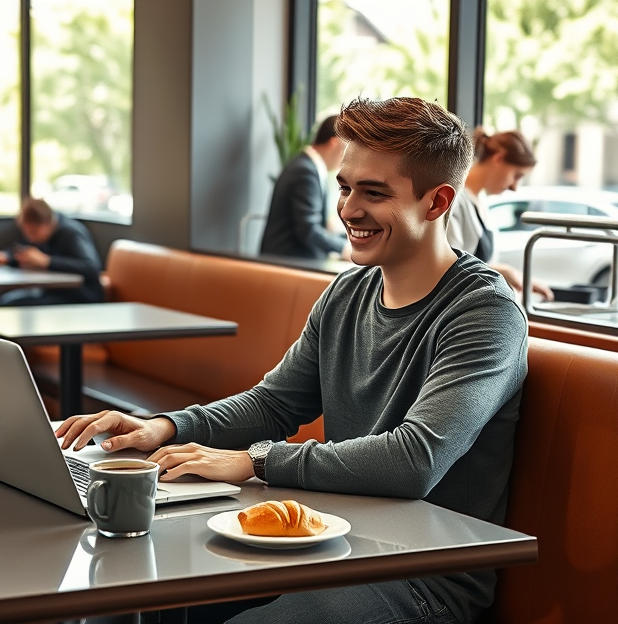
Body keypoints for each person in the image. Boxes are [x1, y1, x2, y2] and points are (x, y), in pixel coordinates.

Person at [57, 98, 528, 624]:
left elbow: (415, 459)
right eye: (346, 187)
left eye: (374, 193)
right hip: (327, 542)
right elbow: (273, 404)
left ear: (438, 202)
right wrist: (164, 427)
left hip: (418, 579)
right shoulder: (347, 294)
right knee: (132, 594)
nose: (348, 209)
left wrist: (257, 460)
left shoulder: (484, 313)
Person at [448, 128, 554, 301]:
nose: (515, 187)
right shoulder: (455, 200)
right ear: (498, 157)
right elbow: (448, 269)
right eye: (516, 175)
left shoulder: (479, 200)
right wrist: (502, 271)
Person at [259, 116, 349, 260]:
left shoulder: (309, 166)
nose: (347, 157)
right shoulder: (305, 171)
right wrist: (344, 248)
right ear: (335, 143)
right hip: (286, 263)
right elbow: (308, 229)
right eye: (346, 149)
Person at [0, 197, 104, 306]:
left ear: (48, 223)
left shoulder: (71, 232)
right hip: (53, 291)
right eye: (26, 232)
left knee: (13, 304)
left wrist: (47, 261)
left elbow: (91, 266)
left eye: (33, 232)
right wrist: (8, 257)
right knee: (7, 300)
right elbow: (24, 249)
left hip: (78, 297)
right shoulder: (37, 236)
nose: (30, 237)